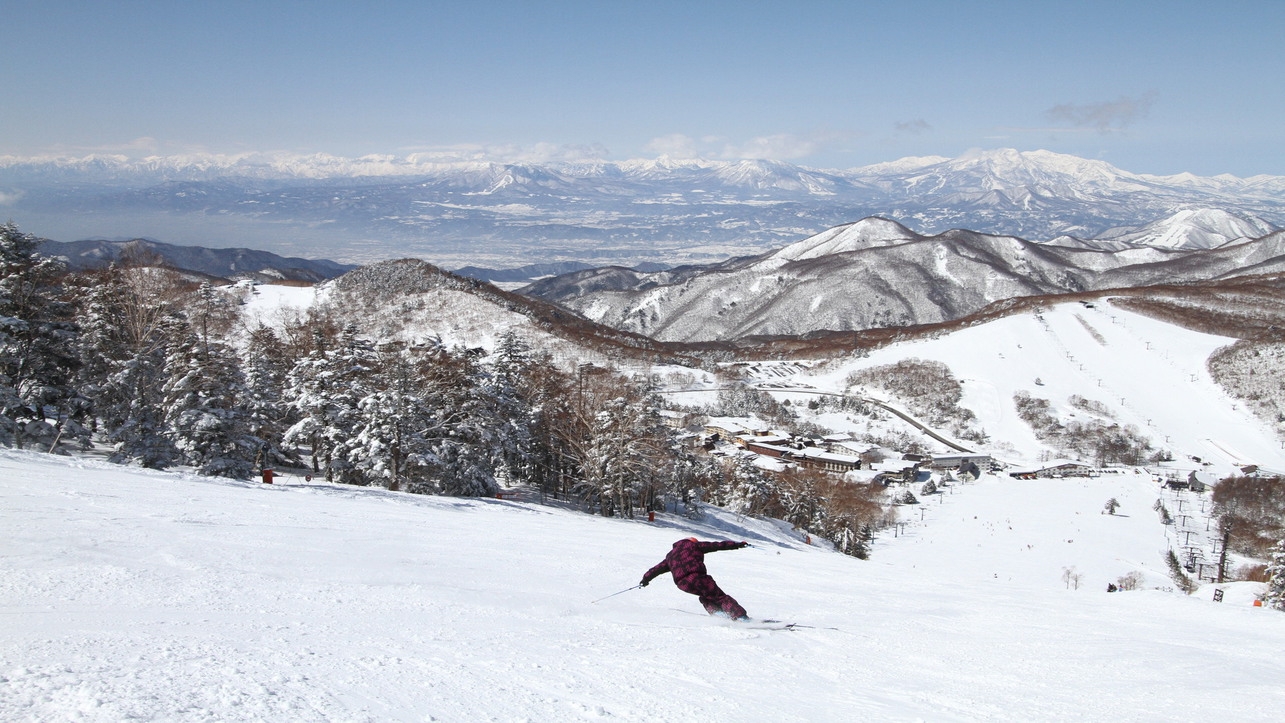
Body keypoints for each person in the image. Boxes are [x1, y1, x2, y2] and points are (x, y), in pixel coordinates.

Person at [640, 537, 750, 620]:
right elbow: (717, 545)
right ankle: (741, 618)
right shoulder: (693, 545)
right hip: (697, 577)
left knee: (705, 596)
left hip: (682, 584)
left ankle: (718, 614)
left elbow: (656, 569)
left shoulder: (671, 556)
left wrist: (645, 580)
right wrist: (737, 545)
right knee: (719, 597)